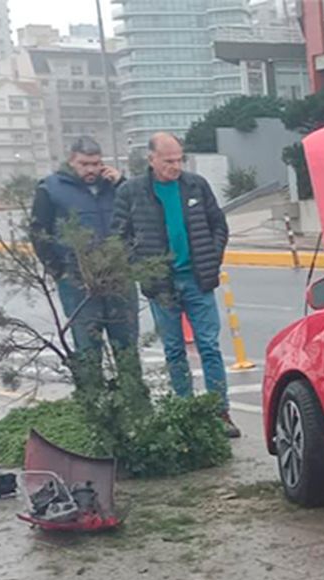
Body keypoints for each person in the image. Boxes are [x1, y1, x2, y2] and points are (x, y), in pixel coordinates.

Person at [110, 132, 239, 437]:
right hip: (162, 285)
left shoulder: (196, 185)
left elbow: (218, 224)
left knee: (209, 346)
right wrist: (141, 267)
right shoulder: (131, 192)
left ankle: (219, 411)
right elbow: (118, 237)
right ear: (151, 159)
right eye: (168, 160)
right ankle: (185, 411)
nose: (175, 166)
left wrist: (211, 257)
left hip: (198, 280)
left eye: (179, 159)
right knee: (173, 350)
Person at [28, 136, 144, 397]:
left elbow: (140, 218)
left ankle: (135, 400)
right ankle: (94, 402)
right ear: (72, 161)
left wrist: (122, 184)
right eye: (84, 164)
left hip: (118, 278)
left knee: (126, 343)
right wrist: (58, 271)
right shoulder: (51, 188)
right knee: (88, 345)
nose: (91, 170)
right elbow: (38, 232)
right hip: (78, 282)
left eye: (95, 163)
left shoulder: (114, 187)